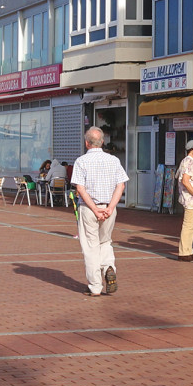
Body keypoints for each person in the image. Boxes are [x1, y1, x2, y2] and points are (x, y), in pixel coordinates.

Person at [71, 127, 128, 297]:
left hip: (89, 209)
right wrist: (110, 207)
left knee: (90, 247)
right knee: (105, 241)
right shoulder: (114, 160)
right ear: (102, 142)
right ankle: (109, 267)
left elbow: (80, 188)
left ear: (86, 143)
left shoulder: (81, 161)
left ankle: (95, 285)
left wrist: (94, 209)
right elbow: (121, 185)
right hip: (109, 208)